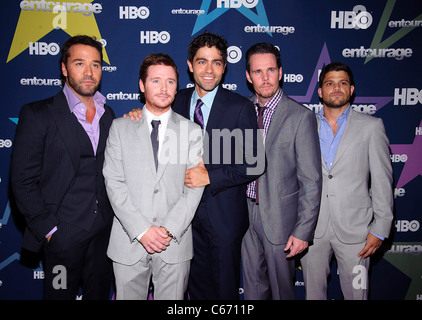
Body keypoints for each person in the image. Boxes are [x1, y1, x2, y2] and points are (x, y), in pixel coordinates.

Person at [127, 32, 264, 299]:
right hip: (180, 218)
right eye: (202, 62)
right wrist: (136, 114)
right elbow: (150, 115)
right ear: (190, 65)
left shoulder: (240, 107)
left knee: (224, 291)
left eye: (216, 62)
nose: (209, 70)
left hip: (223, 218)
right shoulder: (175, 101)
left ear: (224, 67)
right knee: (195, 290)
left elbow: (255, 163)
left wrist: (210, 177)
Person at [10, 35, 115, 299]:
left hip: (103, 235)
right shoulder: (38, 114)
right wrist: (49, 231)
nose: (89, 72)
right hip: (62, 237)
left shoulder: (109, 114)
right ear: (65, 68)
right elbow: (22, 181)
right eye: (80, 63)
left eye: (96, 64)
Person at [103, 53, 204, 300]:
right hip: (129, 241)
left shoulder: (191, 131)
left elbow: (195, 187)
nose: (163, 88)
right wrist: (142, 230)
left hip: (175, 243)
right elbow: (114, 182)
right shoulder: (120, 128)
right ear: (142, 85)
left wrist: (169, 229)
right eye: (156, 81)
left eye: (170, 81)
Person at [300, 62, 394, 300]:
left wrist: (380, 228)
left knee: (357, 295)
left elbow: (383, 180)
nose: (336, 88)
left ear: (351, 89)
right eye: (329, 83)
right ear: (320, 91)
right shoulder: (303, 125)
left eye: (343, 83)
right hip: (312, 229)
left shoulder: (371, 127)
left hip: (357, 231)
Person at [240, 42, 322, 299]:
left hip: (280, 219)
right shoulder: (239, 110)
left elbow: (311, 180)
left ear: (280, 72)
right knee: (252, 289)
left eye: (270, 70)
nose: (265, 78)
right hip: (243, 216)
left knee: (281, 292)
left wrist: (302, 231)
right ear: (248, 76)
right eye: (257, 72)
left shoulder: (300, 116)